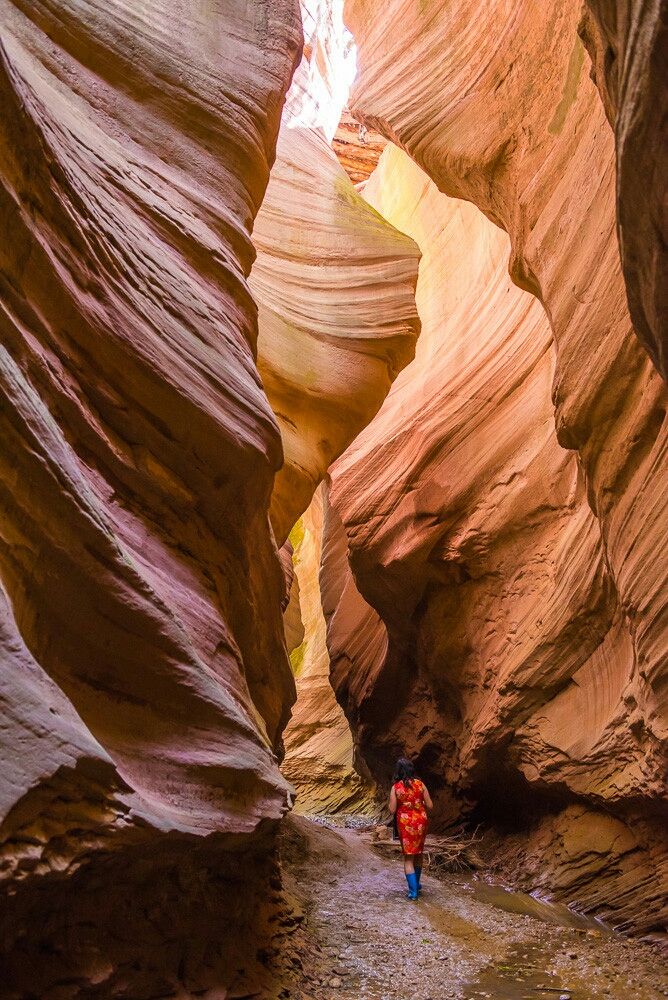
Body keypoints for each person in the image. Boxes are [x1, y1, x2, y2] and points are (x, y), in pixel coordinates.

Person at [389, 757, 433, 900]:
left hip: (405, 823)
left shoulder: (396, 787)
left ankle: (413, 892)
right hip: (421, 821)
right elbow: (430, 805)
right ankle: (417, 884)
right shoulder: (421, 785)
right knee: (418, 853)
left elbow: (392, 809)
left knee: (408, 858)